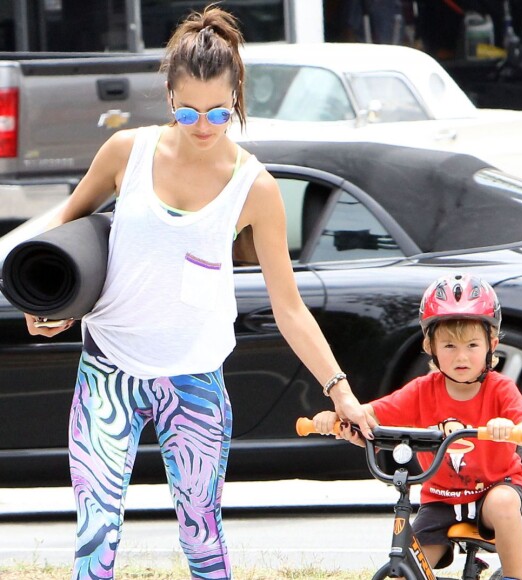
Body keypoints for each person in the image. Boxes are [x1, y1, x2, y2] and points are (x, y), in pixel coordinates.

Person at [23, 5, 376, 579]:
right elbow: (64, 247)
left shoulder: (254, 187)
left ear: (236, 96)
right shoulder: (125, 154)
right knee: (95, 537)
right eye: (188, 111)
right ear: (168, 97)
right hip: (108, 370)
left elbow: (288, 308)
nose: (204, 125)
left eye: (218, 111)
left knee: (202, 535)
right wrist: (51, 310)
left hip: (194, 379)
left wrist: (339, 391)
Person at [313, 273, 522, 580]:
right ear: (430, 346)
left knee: (503, 504)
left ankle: (515, 576)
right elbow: (369, 417)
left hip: (493, 489)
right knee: (410, 566)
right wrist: (338, 420)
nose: (461, 356)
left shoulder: (500, 390)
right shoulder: (421, 390)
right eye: (449, 345)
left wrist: (510, 427)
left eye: (472, 344)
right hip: (440, 499)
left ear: (492, 345)